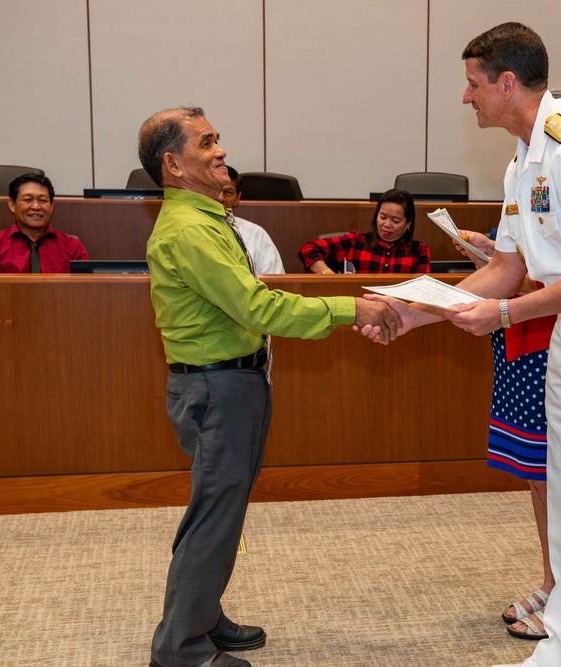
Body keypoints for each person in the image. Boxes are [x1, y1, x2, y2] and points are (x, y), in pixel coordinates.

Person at [363, 23, 561, 667]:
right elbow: (504, 267)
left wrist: (506, 314)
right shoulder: (523, 157)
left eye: (473, 84)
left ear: (507, 83)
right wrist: (409, 312)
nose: (465, 98)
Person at [139, 106, 400, 667]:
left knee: (222, 511)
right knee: (214, 514)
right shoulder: (190, 229)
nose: (220, 151)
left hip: (234, 382)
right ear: (173, 163)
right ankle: (180, 648)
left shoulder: (208, 218)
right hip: (216, 391)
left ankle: (200, 616)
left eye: (218, 139)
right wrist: (350, 309)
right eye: (206, 142)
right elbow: (257, 305)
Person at [458, 86, 561, 642]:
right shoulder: (523, 162)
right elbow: (529, 256)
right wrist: (494, 258)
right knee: (539, 478)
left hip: (554, 341)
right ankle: (554, 577)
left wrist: (508, 277)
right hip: (519, 340)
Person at [0, 173, 89, 272]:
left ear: (52, 206)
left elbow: (86, 289)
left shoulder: (72, 247)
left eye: (43, 200)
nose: (36, 206)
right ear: (12, 205)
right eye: (28, 200)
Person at [298, 188, 430, 274]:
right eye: (382, 217)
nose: (387, 224)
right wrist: (328, 274)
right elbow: (308, 249)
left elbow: (424, 290)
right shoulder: (356, 241)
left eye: (395, 221)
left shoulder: (419, 251)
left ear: (408, 223)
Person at [219, 166, 285, 274]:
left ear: (237, 198)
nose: (220, 198)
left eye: (228, 192)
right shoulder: (192, 229)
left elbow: (276, 280)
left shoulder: (256, 234)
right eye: (215, 190)